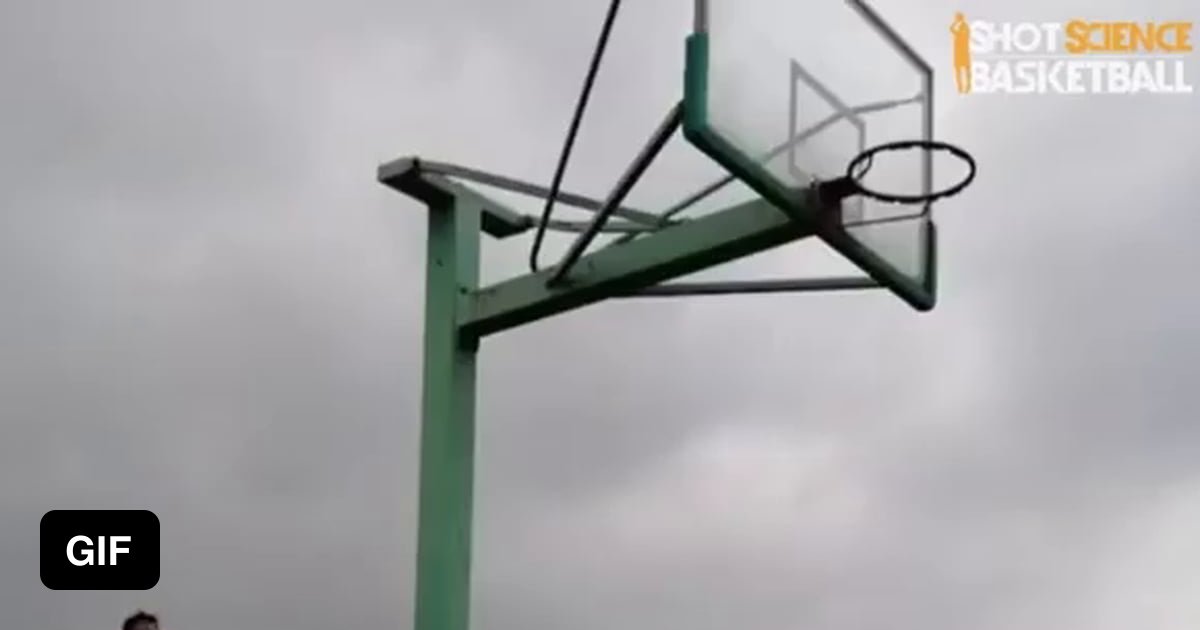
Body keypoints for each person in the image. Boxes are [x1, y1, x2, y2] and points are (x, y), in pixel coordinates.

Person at [950, 12, 972, 94]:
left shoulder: (965, 27)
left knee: (966, 71)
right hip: (958, 53)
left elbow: (954, 31)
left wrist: (955, 23)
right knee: (958, 71)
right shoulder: (959, 27)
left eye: (957, 18)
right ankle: (960, 88)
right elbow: (951, 29)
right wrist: (955, 23)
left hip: (963, 53)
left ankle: (967, 87)